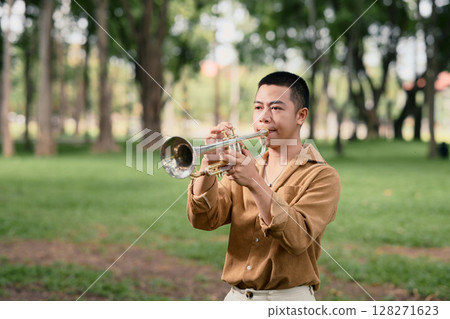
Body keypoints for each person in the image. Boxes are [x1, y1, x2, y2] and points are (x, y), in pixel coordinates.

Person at [186, 71, 341, 301]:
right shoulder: (247, 167)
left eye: (276, 108)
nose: (264, 118)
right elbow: (203, 220)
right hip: (236, 299)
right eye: (258, 108)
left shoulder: (322, 176)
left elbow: (298, 238)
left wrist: (254, 183)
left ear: (301, 115)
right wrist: (208, 163)